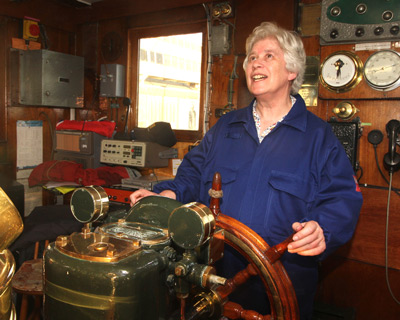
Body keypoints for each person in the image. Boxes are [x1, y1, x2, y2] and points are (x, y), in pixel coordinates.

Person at [130, 21, 363, 319]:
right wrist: (167, 193)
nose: (256, 62)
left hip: (283, 279)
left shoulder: (319, 137)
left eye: (268, 55)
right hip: (214, 270)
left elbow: (342, 198)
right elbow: (191, 172)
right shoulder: (225, 128)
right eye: (252, 57)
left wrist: (323, 229)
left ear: (291, 72)